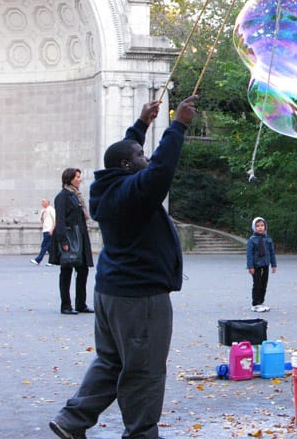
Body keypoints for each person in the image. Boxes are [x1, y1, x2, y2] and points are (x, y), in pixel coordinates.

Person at [49, 95, 197, 439]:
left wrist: (142, 124)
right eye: (139, 156)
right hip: (139, 298)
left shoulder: (106, 185)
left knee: (110, 362)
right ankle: (141, 434)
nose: (144, 158)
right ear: (129, 167)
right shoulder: (133, 192)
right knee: (144, 371)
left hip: (111, 294)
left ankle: (72, 421)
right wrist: (178, 126)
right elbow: (159, 172)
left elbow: (125, 156)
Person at [50, 168, 94, 315]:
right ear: (70, 179)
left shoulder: (76, 195)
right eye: (77, 177)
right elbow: (60, 219)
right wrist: (63, 241)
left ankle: (81, 303)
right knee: (66, 270)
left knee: (83, 270)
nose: (80, 179)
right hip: (69, 237)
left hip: (80, 236)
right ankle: (66, 305)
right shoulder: (63, 196)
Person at [246, 216, 277, 313]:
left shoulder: (268, 239)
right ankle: (255, 304)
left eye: (262, 225)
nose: (260, 227)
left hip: (265, 264)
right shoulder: (252, 240)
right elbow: (249, 254)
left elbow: (272, 252)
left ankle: (261, 302)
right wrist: (250, 266)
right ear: (254, 227)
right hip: (256, 266)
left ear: (265, 227)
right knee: (257, 284)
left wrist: (273, 264)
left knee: (264, 284)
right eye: (258, 226)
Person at [31, 198, 55, 265]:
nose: (42, 203)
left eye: (44, 201)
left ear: (48, 202)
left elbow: (55, 220)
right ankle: (53, 260)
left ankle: (38, 259)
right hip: (45, 229)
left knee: (44, 245)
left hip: (49, 230)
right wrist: (42, 214)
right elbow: (42, 221)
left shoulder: (51, 209)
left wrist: (52, 229)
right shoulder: (43, 210)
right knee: (49, 247)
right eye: (42, 201)